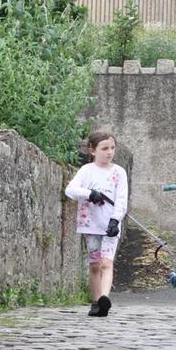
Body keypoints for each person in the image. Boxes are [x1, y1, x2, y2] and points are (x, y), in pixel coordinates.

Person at [65, 130, 128, 317]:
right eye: (104, 148)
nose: (109, 152)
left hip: (111, 225)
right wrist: (89, 194)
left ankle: (104, 298)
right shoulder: (86, 171)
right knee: (95, 264)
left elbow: (122, 199)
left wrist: (116, 219)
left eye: (112, 148)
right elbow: (71, 190)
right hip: (91, 224)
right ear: (93, 151)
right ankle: (96, 300)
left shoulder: (119, 173)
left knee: (107, 262)